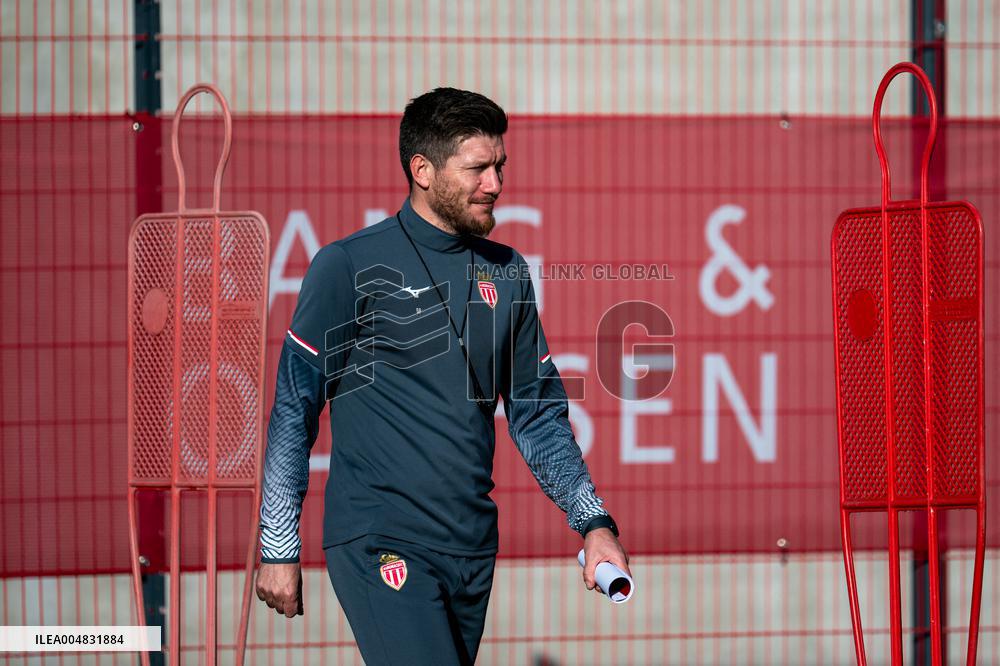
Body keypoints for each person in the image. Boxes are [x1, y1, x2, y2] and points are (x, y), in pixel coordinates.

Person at [255, 87, 629, 665]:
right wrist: (279, 543)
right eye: (478, 168)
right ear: (422, 170)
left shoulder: (508, 274)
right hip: (381, 538)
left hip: (471, 548)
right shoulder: (346, 265)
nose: (496, 184)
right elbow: (293, 407)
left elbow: (538, 418)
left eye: (500, 166)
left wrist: (593, 523)